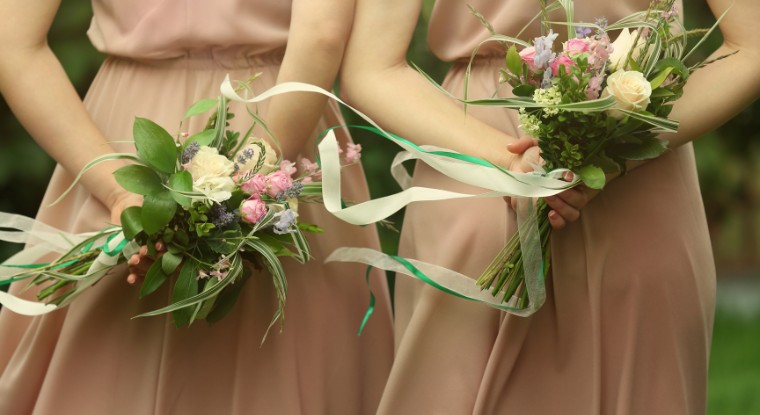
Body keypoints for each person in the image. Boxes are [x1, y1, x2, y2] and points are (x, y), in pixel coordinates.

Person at [340, 0, 760, 413]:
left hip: (617, 170)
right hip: (488, 172)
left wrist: (570, 158)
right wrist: (518, 162)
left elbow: (375, 68)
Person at [0, 0, 393, 414]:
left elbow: (13, 41)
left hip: (122, 139)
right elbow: (321, 34)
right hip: (279, 115)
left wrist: (119, 193)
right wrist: (259, 176)